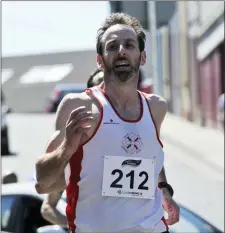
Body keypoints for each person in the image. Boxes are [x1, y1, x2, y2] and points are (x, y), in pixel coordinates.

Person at [35, 12, 180, 233]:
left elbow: (150, 158)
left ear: (142, 57)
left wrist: (164, 189)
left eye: (129, 45)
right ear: (100, 60)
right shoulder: (78, 106)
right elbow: (42, 182)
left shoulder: (156, 108)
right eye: (112, 46)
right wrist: (66, 150)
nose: (121, 50)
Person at [40, 68, 105, 228]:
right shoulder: (73, 146)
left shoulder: (133, 136)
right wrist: (74, 226)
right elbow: (47, 206)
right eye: (101, 85)